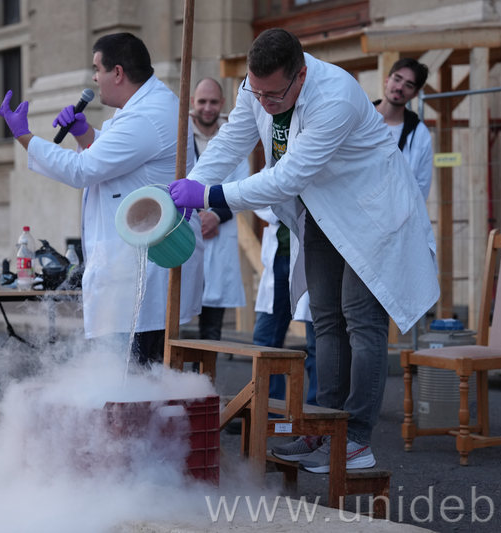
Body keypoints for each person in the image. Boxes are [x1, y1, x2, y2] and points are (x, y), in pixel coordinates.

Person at [169, 29, 439, 472]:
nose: (264, 103)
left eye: (274, 95)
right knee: (324, 318)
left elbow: (286, 178)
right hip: (322, 211)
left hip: (373, 213)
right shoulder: (257, 88)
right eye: (257, 93)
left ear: (301, 75)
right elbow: (232, 140)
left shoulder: (335, 96)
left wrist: (210, 195)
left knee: (362, 321)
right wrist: (194, 181)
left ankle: (356, 439)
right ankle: (322, 430)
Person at [0, 32, 203, 365]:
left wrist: (24, 136)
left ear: (117, 72)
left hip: (141, 269)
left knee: (130, 377)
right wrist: (85, 134)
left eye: (96, 68)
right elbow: (121, 161)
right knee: (133, 375)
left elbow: (82, 170)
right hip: (135, 263)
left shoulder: (145, 116)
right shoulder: (146, 107)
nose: (93, 78)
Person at [191, 78, 246, 343]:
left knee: (212, 328)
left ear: (223, 103)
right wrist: (196, 217)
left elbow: (242, 185)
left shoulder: (234, 138)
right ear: (193, 102)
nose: (207, 108)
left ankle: (206, 370)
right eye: (202, 101)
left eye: (214, 102)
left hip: (219, 232)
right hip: (185, 230)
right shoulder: (179, 136)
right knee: (173, 318)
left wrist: (215, 215)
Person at [253, 208, 317, 409]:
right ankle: (271, 410)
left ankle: (317, 413)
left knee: (319, 342)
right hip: (278, 257)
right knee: (265, 339)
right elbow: (263, 200)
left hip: (313, 256)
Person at [373, 58, 433, 201]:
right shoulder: (359, 118)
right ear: (387, 80)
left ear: (415, 94)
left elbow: (421, 187)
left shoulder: (420, 134)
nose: (400, 87)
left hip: (394, 212)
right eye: (397, 79)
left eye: (409, 85)